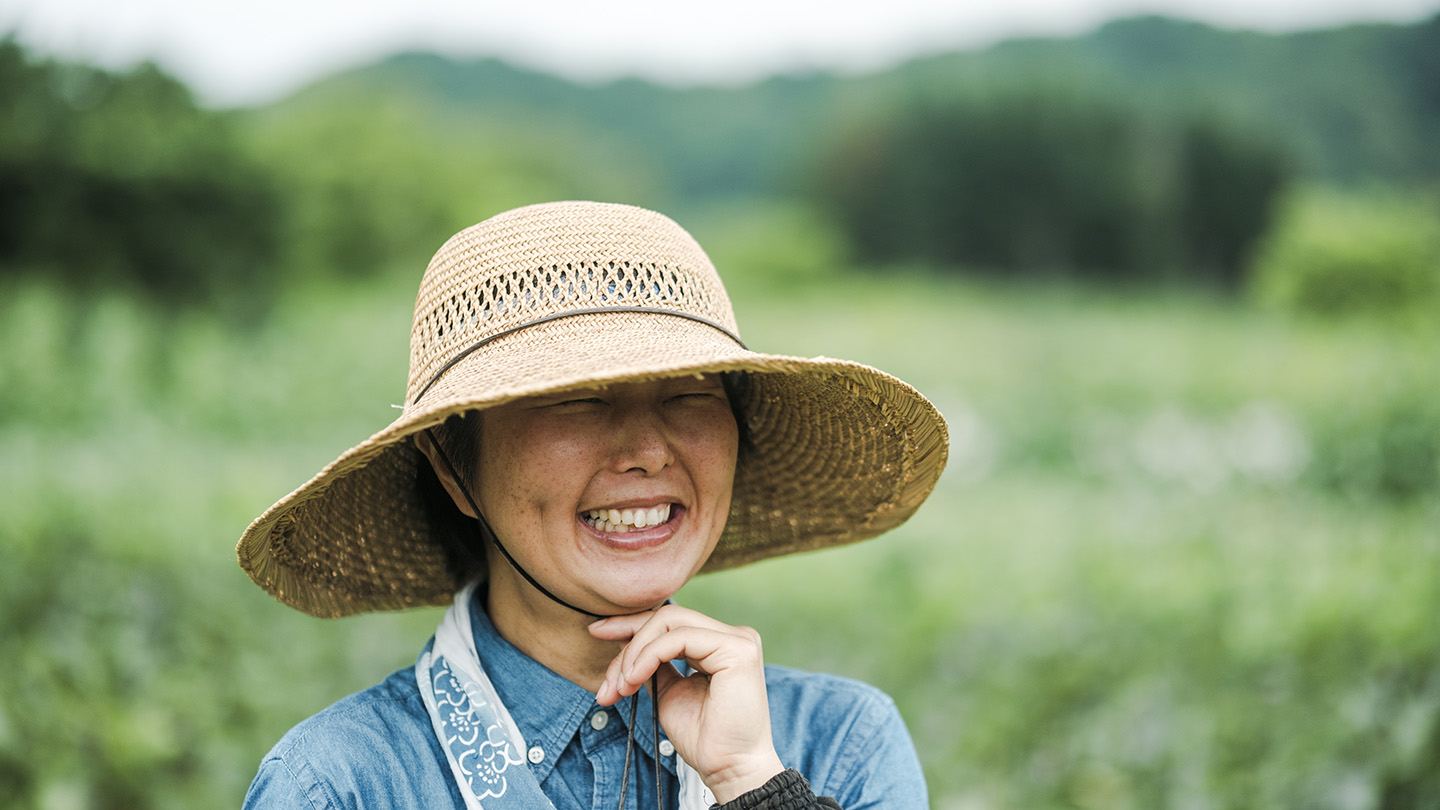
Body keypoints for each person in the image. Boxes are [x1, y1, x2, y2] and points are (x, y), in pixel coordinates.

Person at [237, 201, 949, 809]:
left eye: (691, 392)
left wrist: (752, 783)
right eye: (574, 400)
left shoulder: (840, 742)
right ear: (454, 466)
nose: (647, 450)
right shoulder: (340, 786)